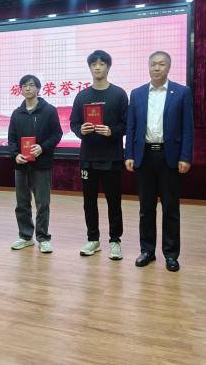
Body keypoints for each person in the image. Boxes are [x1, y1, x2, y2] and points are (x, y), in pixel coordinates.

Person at [125, 51, 194, 272]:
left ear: (169, 67)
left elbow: (188, 128)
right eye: (153, 64)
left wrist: (185, 156)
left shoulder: (182, 92)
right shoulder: (137, 93)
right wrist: (129, 154)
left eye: (161, 64)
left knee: (170, 208)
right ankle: (147, 250)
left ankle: (171, 255)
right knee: (146, 207)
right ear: (148, 67)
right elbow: (131, 127)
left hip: (169, 157)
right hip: (144, 156)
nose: (157, 68)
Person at [70, 50, 128, 260]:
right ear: (90, 68)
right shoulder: (82, 96)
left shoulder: (119, 94)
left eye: (102, 63)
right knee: (89, 202)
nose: (97, 67)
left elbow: (127, 124)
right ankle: (93, 239)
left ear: (108, 67)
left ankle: (115, 241)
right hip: (88, 158)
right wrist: (81, 131)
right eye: (93, 64)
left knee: (114, 201)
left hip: (112, 157)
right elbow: (74, 123)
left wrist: (112, 131)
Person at [8, 75, 63, 253]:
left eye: (31, 85)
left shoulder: (49, 111)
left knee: (42, 203)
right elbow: (11, 139)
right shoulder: (17, 113)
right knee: (22, 203)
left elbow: (57, 134)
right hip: (21, 165)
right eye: (24, 86)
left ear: (38, 89)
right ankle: (25, 236)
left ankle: (43, 238)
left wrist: (42, 147)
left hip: (42, 164)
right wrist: (15, 154)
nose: (28, 88)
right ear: (21, 90)